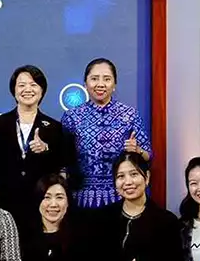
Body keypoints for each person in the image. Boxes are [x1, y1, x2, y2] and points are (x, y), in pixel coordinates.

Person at [0, 65, 75, 225]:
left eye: (33, 85)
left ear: (42, 90)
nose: (27, 89)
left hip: (41, 205)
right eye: (22, 85)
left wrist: (46, 149)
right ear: (14, 90)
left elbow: (65, 164)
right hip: (4, 202)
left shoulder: (54, 127)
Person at [61, 58, 153, 208]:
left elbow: (148, 155)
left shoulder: (129, 115)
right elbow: (63, 160)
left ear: (114, 85)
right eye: (94, 79)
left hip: (121, 195)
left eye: (107, 79)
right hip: (82, 197)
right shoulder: (72, 117)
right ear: (85, 84)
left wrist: (138, 151)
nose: (100, 84)